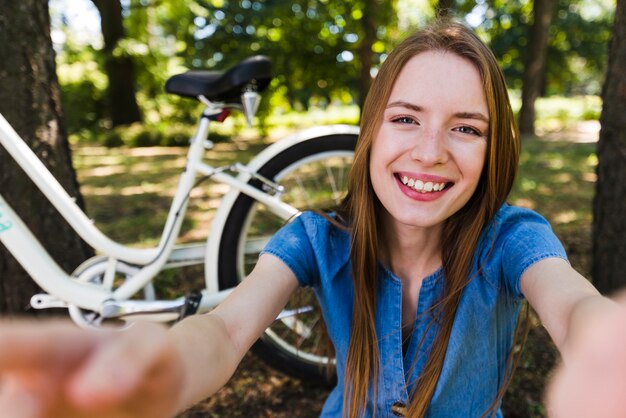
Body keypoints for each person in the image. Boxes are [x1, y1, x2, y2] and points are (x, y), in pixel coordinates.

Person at [0, 20, 622, 418]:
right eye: (406, 118)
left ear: (493, 151)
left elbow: (572, 307)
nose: (431, 151)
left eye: (465, 128)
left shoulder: (512, 241)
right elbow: (223, 332)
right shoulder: (316, 240)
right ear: (371, 133)